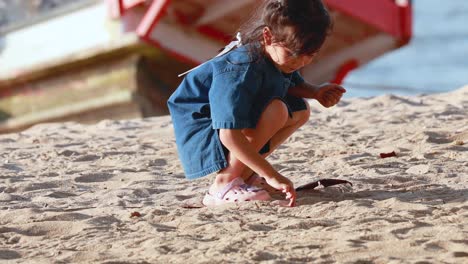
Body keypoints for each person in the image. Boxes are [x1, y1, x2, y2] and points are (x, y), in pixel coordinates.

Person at [167, 0, 346, 207]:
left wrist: (315, 92)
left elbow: (288, 83)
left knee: (300, 110)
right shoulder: (239, 69)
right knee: (277, 110)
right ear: (268, 36)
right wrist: (271, 174)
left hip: (227, 126)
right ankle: (222, 185)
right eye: (293, 54)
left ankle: (244, 175)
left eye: (310, 56)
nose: (300, 63)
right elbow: (229, 133)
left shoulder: (276, 57)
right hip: (202, 130)